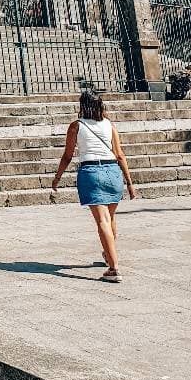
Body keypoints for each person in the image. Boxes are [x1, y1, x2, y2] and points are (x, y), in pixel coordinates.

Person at [50, 92, 136, 282]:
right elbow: (120, 155)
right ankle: (108, 253)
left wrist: (57, 178)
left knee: (102, 221)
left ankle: (114, 269)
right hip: (113, 171)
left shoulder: (76, 126)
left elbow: (67, 155)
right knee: (111, 217)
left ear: (82, 106)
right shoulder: (109, 124)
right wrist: (130, 183)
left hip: (91, 172)